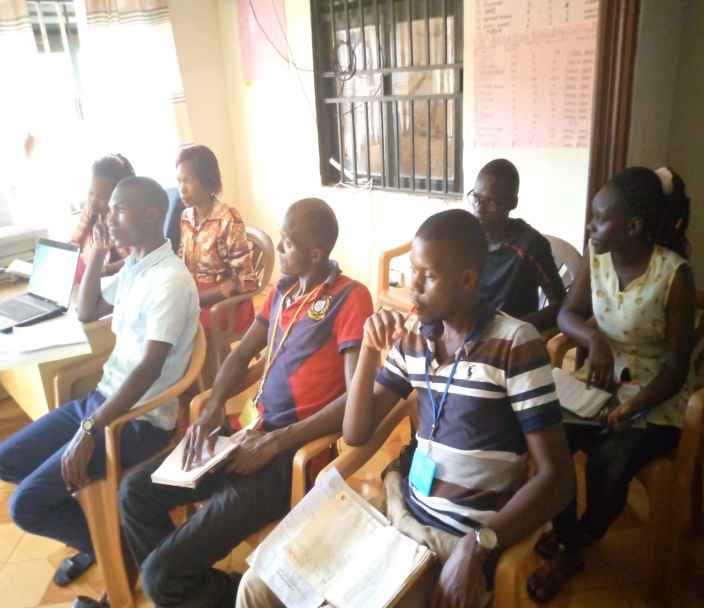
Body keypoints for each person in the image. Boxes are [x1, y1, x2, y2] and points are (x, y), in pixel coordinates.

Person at [236, 209, 575, 608]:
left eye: (427, 276)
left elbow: (557, 479)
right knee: (257, 586)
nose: (412, 286)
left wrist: (478, 546)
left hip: (455, 540)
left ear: (467, 279)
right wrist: (368, 347)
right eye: (412, 270)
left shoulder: (515, 344)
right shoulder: (415, 338)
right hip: (398, 510)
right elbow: (356, 433)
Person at [118, 198, 374, 608]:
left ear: (315, 254)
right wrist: (213, 407)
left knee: (160, 577)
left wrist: (276, 441)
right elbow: (240, 355)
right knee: (134, 492)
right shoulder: (284, 290)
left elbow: (354, 397)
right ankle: (188, 586)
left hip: (287, 458)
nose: (278, 248)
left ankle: (204, 588)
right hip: (243, 432)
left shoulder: (349, 297)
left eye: (287, 243)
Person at [0, 177, 199, 601]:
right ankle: (106, 539)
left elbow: (148, 369)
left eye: (119, 211)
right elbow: (87, 310)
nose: (109, 219)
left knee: (25, 506)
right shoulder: (134, 268)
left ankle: (117, 552)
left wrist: (91, 429)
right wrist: (96, 251)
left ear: (151, 214)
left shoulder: (169, 281)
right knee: (5, 460)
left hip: (138, 422)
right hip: (102, 403)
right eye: (109, 211)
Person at [526, 167, 695, 603]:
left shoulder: (674, 275)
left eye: (600, 219)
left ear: (633, 226)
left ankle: (581, 538)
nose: (590, 226)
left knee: (606, 460)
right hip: (600, 383)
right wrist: (594, 339)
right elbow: (568, 313)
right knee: (551, 438)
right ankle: (569, 541)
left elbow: (676, 368)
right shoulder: (597, 256)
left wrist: (633, 406)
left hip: (657, 397)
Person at [470, 159, 566, 330]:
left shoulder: (529, 245)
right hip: (471, 332)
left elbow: (560, 305)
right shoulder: (469, 239)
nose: (479, 208)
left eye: (490, 202)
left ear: (512, 203)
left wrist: (514, 328)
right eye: (476, 198)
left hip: (512, 339)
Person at [176, 145, 257, 338]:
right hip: (194, 295)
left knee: (178, 329)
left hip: (224, 304)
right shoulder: (186, 217)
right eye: (179, 181)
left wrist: (197, 298)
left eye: (189, 181)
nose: (182, 190)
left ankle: (206, 359)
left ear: (208, 182)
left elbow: (243, 280)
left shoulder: (228, 217)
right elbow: (181, 262)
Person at [70, 154, 135, 283]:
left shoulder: (126, 217)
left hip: (127, 280)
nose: (93, 201)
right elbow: (75, 243)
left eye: (102, 197)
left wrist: (103, 270)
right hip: (104, 279)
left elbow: (136, 259)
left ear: (118, 195)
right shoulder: (90, 209)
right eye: (90, 193)